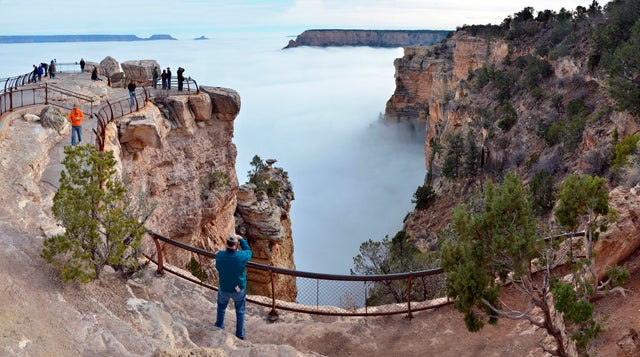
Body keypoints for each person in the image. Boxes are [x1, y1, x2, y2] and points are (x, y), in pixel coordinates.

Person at [215, 233, 252, 340]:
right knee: (240, 311)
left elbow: (218, 267)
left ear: (227, 243)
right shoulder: (241, 256)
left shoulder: (219, 255)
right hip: (238, 289)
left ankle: (219, 326)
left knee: (221, 308)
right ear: (236, 245)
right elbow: (249, 251)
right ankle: (240, 334)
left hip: (224, 288)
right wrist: (242, 240)